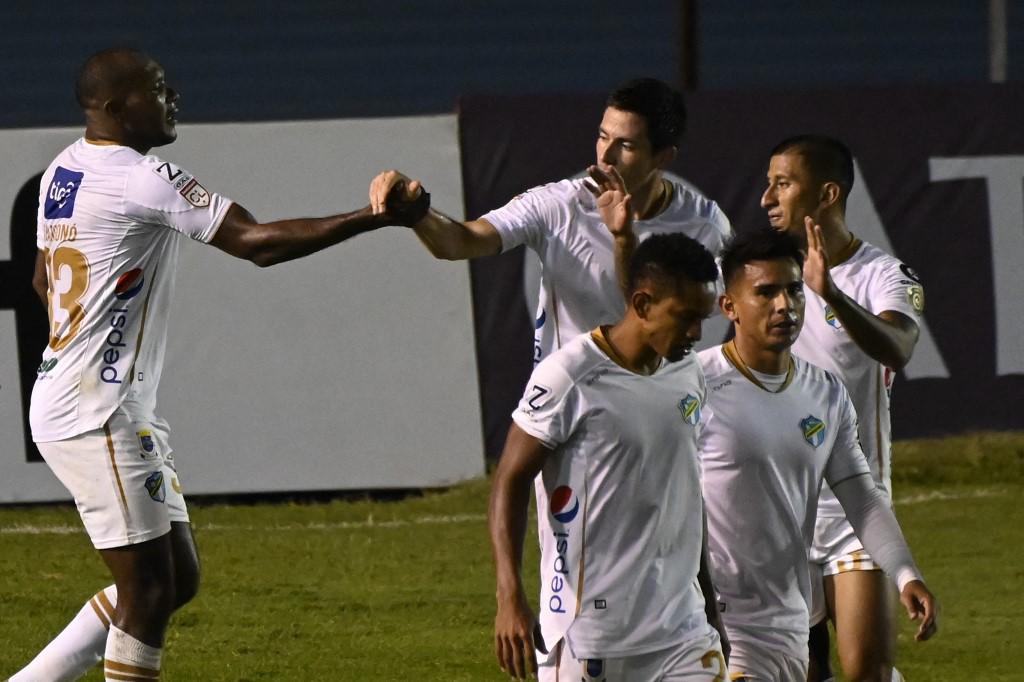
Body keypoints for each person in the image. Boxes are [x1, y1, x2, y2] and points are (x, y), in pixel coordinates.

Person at [10, 47, 427, 682]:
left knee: (175, 580)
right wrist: (372, 217)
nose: (172, 94)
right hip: (98, 410)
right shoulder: (143, 177)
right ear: (118, 108)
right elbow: (256, 244)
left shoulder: (62, 171)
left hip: (87, 398)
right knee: (148, 593)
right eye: (156, 88)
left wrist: (81, 342)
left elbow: (43, 277)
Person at [489, 211, 729, 680]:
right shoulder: (569, 376)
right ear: (641, 303)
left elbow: (684, 492)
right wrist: (509, 596)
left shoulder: (688, 373)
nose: (697, 334)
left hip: (683, 630)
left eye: (703, 319)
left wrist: (710, 609)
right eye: (685, 318)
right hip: (591, 635)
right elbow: (510, 479)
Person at [695, 227, 938, 682]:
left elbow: (861, 497)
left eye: (792, 290)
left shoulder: (824, 392)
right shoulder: (695, 386)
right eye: (765, 293)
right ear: (729, 307)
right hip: (718, 623)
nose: (784, 305)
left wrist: (905, 573)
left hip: (787, 620)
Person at [369, 77, 731, 366]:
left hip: (660, 409)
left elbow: (649, 319)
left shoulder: (706, 226)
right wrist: (418, 212)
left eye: (627, 145)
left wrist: (623, 239)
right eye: (603, 136)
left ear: (663, 157)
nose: (606, 155)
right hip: (570, 405)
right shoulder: (558, 204)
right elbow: (460, 241)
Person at [761, 135, 927, 681]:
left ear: (827, 193)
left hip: (852, 510)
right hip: (779, 512)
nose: (767, 197)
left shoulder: (883, 276)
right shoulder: (765, 280)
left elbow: (898, 346)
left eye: (783, 184)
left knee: (866, 673)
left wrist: (831, 294)